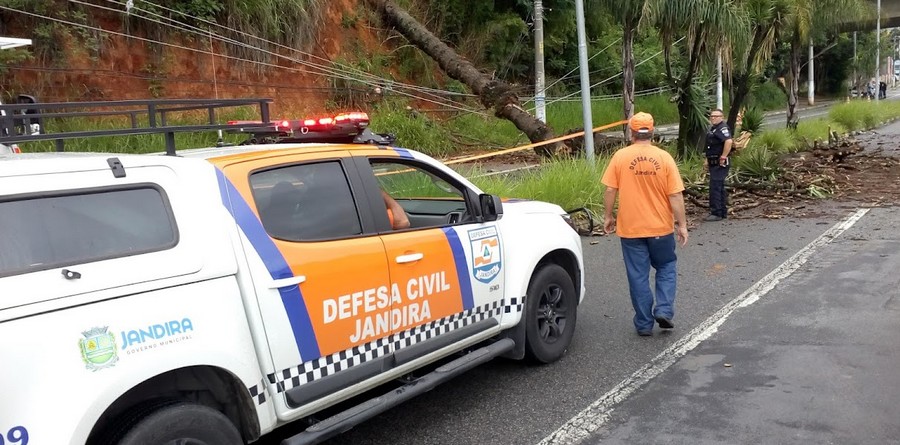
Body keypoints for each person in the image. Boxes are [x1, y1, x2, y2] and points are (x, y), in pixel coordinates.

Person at [601, 112, 689, 337]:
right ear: (652, 131)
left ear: (631, 132)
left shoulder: (620, 157)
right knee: (666, 267)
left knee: (637, 275)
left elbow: (610, 189)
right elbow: (676, 195)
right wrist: (682, 225)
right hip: (660, 227)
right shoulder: (664, 158)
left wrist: (608, 216)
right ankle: (664, 309)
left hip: (630, 229)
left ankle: (643, 323)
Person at [705, 109, 733, 222]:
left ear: (722, 117)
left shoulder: (722, 128)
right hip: (713, 161)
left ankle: (716, 212)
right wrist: (706, 160)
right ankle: (722, 211)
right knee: (718, 186)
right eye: (711, 116)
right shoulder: (713, 129)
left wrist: (723, 156)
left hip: (720, 162)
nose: (713, 118)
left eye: (716, 116)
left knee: (715, 187)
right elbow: (710, 146)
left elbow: (728, 141)